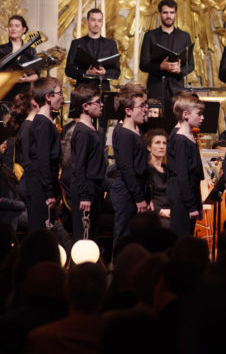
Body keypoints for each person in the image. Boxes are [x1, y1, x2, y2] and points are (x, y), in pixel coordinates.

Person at [110, 83, 150, 242]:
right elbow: (127, 169)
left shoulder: (136, 129)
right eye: (141, 106)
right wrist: (139, 197)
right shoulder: (124, 134)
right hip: (127, 192)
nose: (145, 109)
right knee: (123, 235)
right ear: (128, 111)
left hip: (135, 189)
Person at [25, 77, 64, 232]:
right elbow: (43, 160)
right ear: (48, 97)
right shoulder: (42, 123)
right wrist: (50, 193)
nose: (62, 97)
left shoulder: (46, 122)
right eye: (59, 93)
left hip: (44, 186)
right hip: (39, 188)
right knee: (40, 231)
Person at [140, 0, 194, 104]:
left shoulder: (185, 36)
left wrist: (180, 70)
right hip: (155, 89)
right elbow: (143, 64)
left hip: (177, 91)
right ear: (160, 14)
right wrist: (160, 67)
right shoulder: (150, 36)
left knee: (175, 120)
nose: (168, 16)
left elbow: (191, 65)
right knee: (155, 120)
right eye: (165, 12)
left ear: (175, 14)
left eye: (171, 12)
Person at [70, 85, 106, 242]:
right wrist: (84, 195)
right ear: (85, 106)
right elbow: (80, 166)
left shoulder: (91, 128)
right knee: (84, 235)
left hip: (94, 186)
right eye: (98, 102)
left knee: (92, 234)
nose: (102, 105)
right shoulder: (83, 132)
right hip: (86, 188)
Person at [166, 93, 204, 235]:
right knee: (181, 236)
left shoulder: (190, 138)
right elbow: (183, 176)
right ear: (186, 114)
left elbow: (194, 178)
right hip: (182, 197)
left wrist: (198, 205)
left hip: (189, 195)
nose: (202, 118)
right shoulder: (180, 140)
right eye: (199, 114)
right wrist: (190, 205)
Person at [65, 8, 120, 91]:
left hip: (103, 89)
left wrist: (105, 72)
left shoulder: (111, 44)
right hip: (82, 91)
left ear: (102, 23)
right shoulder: (76, 43)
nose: (96, 24)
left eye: (99, 20)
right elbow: (69, 70)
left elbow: (117, 72)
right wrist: (86, 73)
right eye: (93, 20)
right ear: (87, 22)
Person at [0, 15, 40, 102]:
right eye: (10, 25)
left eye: (17, 26)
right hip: (4, 95)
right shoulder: (0, 49)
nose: (13, 28)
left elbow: (37, 75)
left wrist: (25, 79)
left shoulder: (31, 51)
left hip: (25, 95)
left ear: (23, 29)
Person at [145, 128, 171, 228]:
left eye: (164, 143)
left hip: (170, 211)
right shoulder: (146, 169)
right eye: (157, 143)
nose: (162, 146)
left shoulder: (168, 170)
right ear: (149, 147)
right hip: (154, 214)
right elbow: (145, 197)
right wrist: (160, 211)